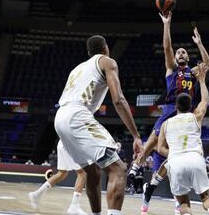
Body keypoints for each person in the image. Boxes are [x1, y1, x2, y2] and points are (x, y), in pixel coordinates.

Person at [127, 11, 209, 215]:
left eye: (184, 52)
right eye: (178, 52)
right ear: (175, 58)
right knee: (153, 145)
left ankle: (168, 197)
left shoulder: (193, 72)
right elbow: (167, 47)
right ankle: (136, 168)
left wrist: (199, 43)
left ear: (188, 57)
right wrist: (167, 24)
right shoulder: (171, 70)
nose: (181, 53)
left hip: (186, 113)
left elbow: (207, 64)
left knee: (168, 167)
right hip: (170, 110)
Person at [54, 35, 143, 215]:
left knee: (93, 172)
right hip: (78, 115)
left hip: (60, 117)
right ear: (105, 49)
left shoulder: (77, 68)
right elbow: (118, 99)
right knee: (119, 169)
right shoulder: (107, 62)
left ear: (89, 52)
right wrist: (136, 135)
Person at [158, 64, 209, 215]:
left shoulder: (165, 124)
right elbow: (205, 100)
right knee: (206, 198)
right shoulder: (196, 116)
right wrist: (202, 81)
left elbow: (160, 149)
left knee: (184, 203)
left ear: (176, 107)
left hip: (176, 161)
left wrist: (174, 154)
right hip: (195, 158)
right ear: (191, 105)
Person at [29, 141, 87, 215]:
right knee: (82, 173)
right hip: (71, 143)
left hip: (62, 143)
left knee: (62, 173)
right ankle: (74, 207)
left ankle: (36, 194)